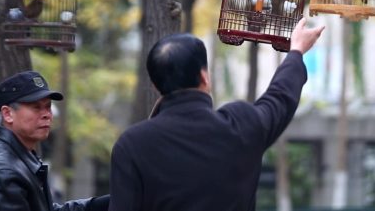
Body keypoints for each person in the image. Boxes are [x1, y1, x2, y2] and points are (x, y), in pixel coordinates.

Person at [108, 17, 325, 211]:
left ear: (156, 86)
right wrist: (296, 51)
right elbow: (279, 99)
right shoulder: (240, 126)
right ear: (204, 77)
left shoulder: (132, 145)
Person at [0, 70, 110, 211]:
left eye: (48, 107)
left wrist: (107, 203)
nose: (47, 115)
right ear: (8, 114)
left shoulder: (20, 155)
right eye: (36, 107)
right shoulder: (4, 170)